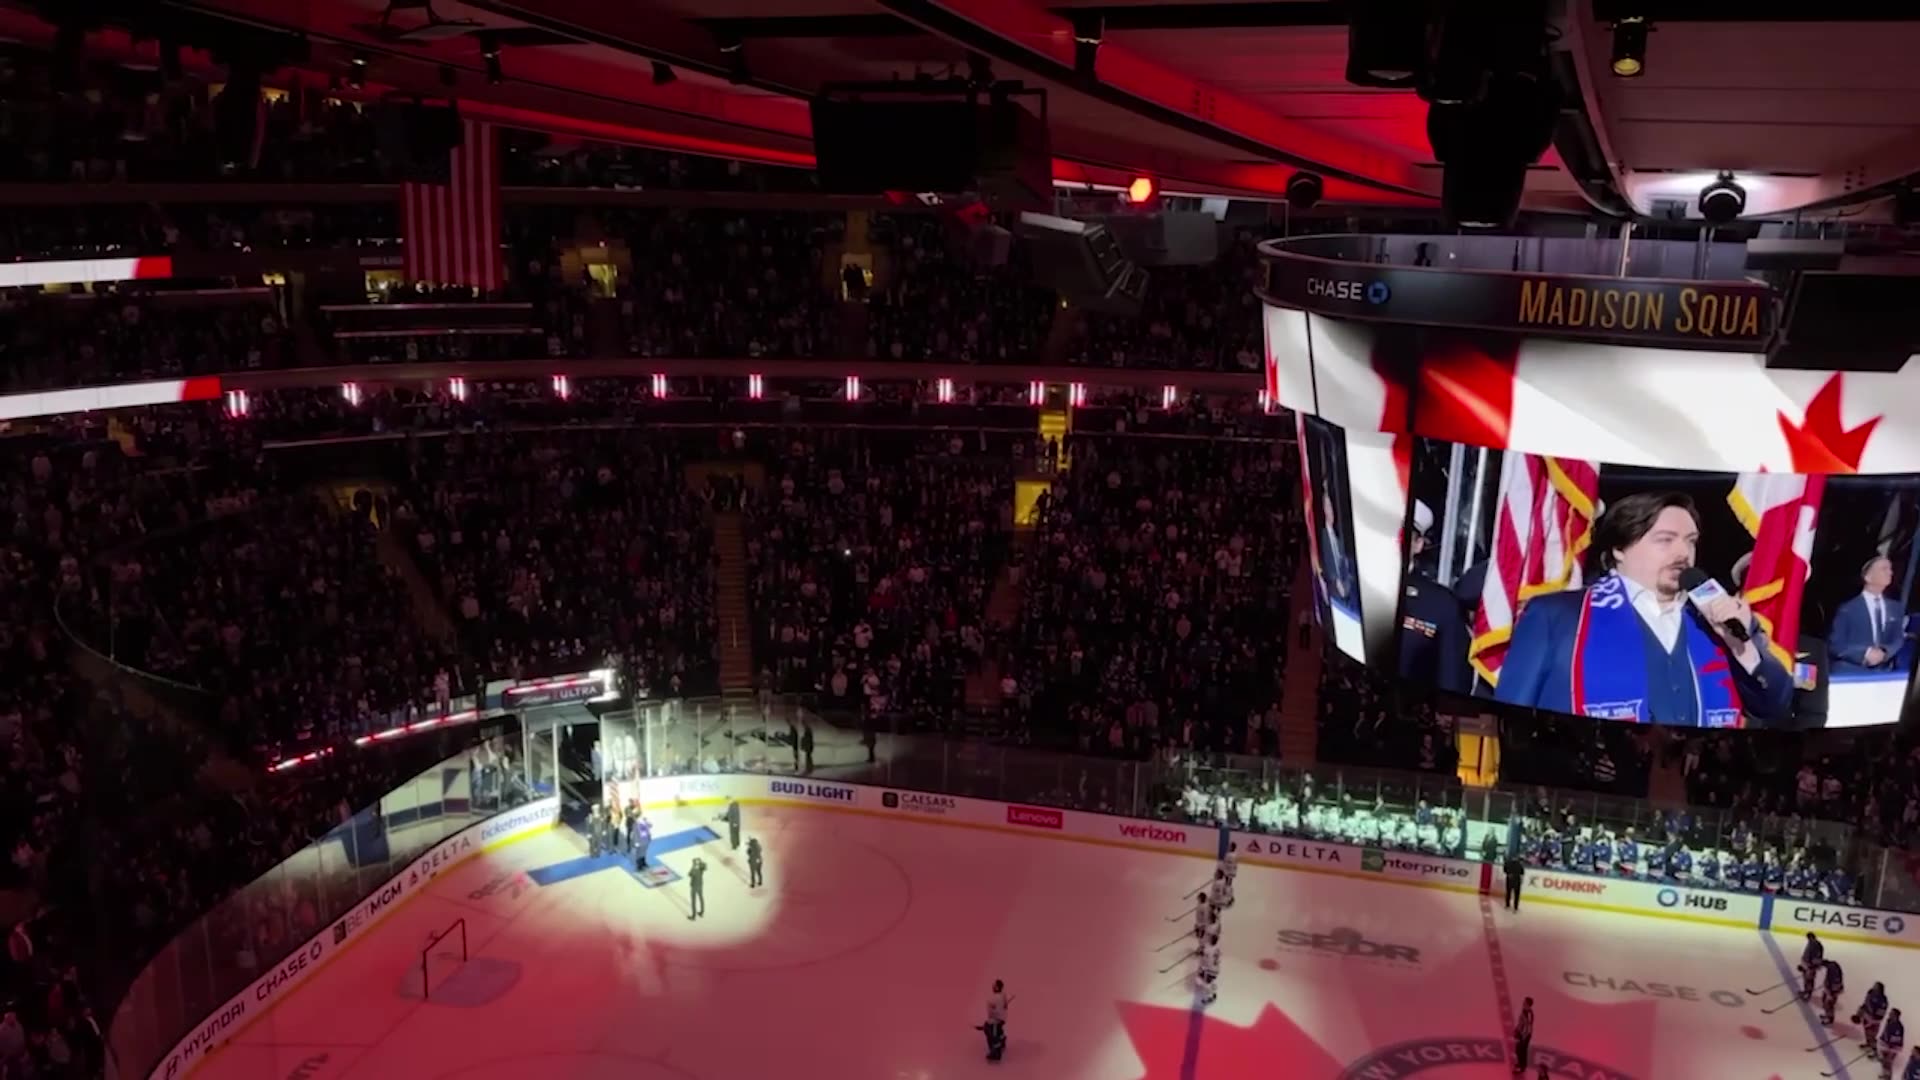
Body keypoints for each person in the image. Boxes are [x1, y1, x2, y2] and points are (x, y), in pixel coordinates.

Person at [1494, 491, 1793, 727]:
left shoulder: (1717, 618)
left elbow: (1774, 704)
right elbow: (1509, 717)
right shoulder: (1556, 616)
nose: (1683, 553)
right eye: (1665, 540)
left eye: (1690, 542)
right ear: (1619, 549)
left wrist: (1742, 647)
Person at [1832, 556, 1909, 673]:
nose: (1890, 572)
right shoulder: (1848, 609)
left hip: (1884, 674)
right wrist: (1865, 654)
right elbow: (1835, 644)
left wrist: (1884, 652)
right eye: (1884, 568)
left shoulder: (1896, 608)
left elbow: (1898, 638)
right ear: (1868, 577)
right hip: (1852, 673)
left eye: (1890, 569)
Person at [981, 979, 1011, 1061]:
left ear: (997, 987)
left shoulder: (994, 999)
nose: (992, 986)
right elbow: (1004, 1007)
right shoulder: (1002, 995)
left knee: (992, 1034)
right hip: (1001, 1019)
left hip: (995, 1020)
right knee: (998, 1031)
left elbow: (995, 1011)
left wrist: (991, 1020)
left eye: (994, 985)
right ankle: (1002, 1039)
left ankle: (996, 1052)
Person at [1858, 982, 1890, 1052]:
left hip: (1874, 1019)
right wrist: (1862, 1009)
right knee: (1866, 1031)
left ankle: (1874, 1049)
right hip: (1867, 1015)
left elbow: (1881, 1012)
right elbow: (1866, 1001)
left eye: (1876, 986)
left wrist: (1874, 1019)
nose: (1874, 987)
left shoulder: (1883, 999)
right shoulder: (1870, 992)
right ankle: (1868, 1044)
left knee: (1872, 1034)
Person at [1512, 996, 1534, 1074]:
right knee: (1518, 1050)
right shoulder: (1524, 1011)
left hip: (1525, 1035)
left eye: (1525, 1002)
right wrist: (1516, 1029)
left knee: (1521, 1051)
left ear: (1528, 1004)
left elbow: (1528, 1027)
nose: (1523, 1003)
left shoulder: (1529, 1014)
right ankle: (1520, 1064)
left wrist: (1523, 1036)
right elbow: (1521, 1022)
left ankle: (1522, 1066)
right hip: (1522, 1034)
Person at [1820, 958, 1845, 1027]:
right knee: (1825, 1001)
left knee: (1829, 1004)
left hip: (1832, 989)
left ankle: (1829, 1018)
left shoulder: (1831, 969)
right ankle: (1827, 1015)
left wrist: (1829, 991)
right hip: (1833, 988)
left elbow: (1831, 980)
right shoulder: (1833, 966)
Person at [1882, 1009, 1906, 1080]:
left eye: (1891, 1013)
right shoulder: (1889, 1021)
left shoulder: (1899, 1027)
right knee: (1885, 1060)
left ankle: (1888, 1077)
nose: (1889, 1014)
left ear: (1895, 1015)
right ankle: (1885, 1074)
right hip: (1887, 1044)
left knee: (1888, 1061)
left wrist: (1891, 1046)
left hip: (1894, 1047)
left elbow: (1897, 1038)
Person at [1801, 933, 1825, 1000]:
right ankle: (1806, 991)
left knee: (1809, 980)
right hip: (1807, 964)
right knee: (1806, 979)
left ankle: (1808, 994)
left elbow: (1817, 957)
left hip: (1811, 965)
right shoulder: (1811, 943)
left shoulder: (1816, 945)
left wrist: (1813, 965)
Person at [688, 856, 707, 920]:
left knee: (693, 901)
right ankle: (701, 912)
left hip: (694, 887)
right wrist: (700, 861)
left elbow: (689, 874)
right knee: (701, 898)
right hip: (700, 885)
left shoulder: (694, 870)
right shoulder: (701, 869)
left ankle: (693, 916)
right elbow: (705, 866)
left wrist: (693, 866)